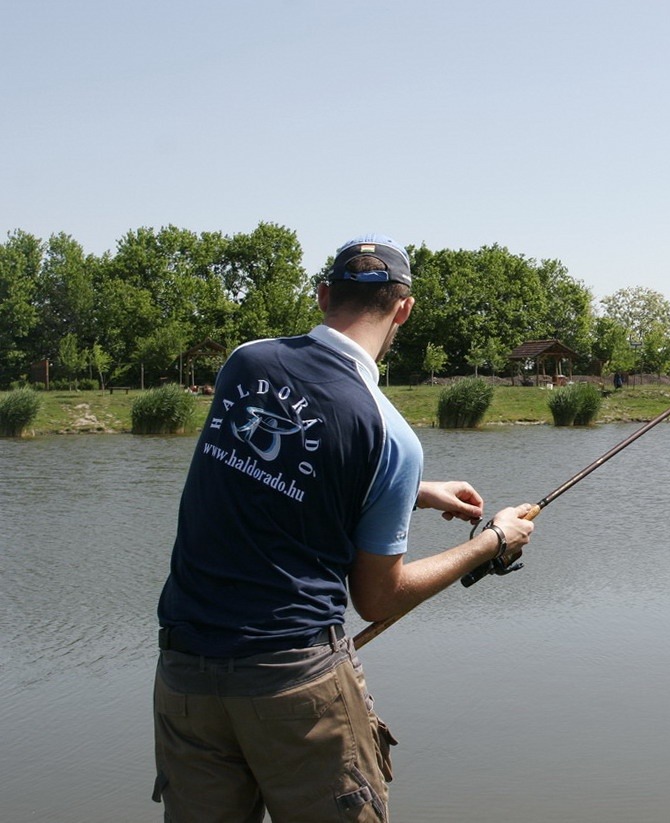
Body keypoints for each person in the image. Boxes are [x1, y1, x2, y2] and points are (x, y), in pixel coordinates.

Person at [152, 234, 536, 822]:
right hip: (294, 684)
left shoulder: (246, 360)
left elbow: (265, 476)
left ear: (324, 294)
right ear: (403, 308)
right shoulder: (389, 434)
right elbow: (379, 597)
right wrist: (493, 543)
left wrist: (412, 492)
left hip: (184, 678)